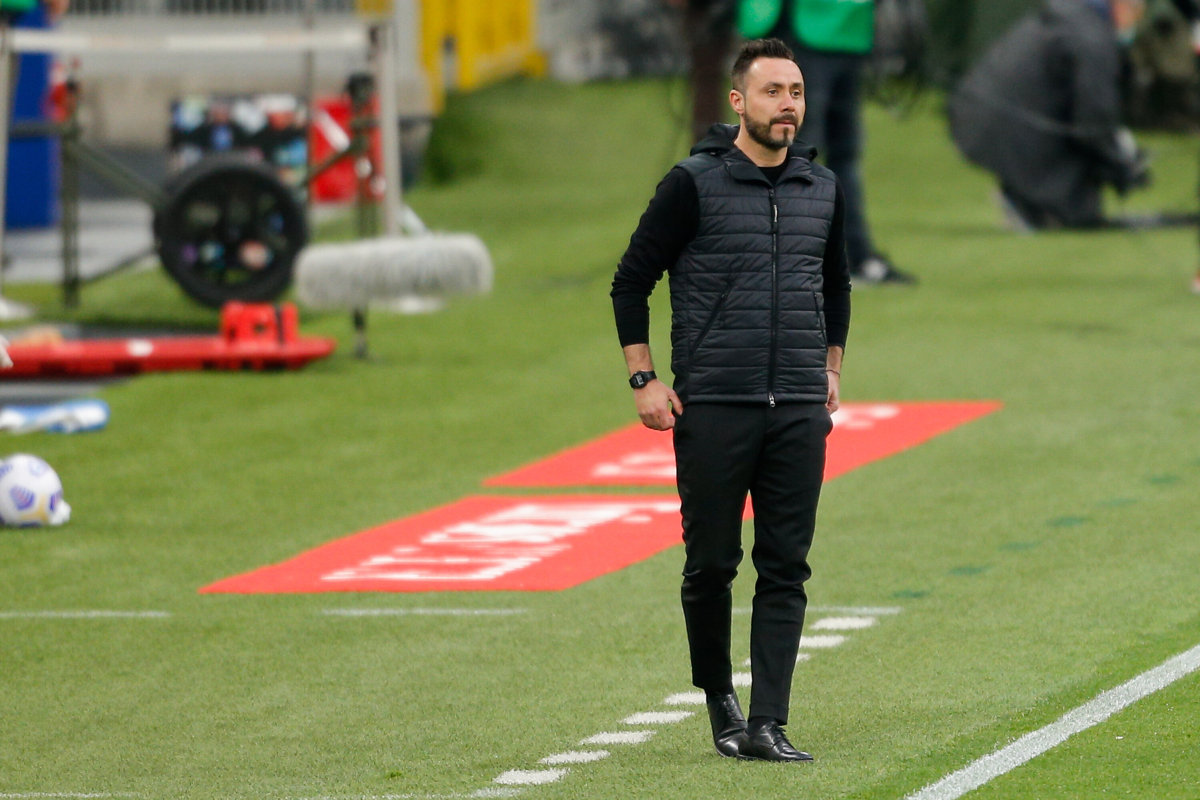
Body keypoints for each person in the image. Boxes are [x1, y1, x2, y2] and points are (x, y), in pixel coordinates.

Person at [610, 37, 851, 762]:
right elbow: (631, 280)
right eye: (774, 92)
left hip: (799, 407)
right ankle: (721, 699)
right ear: (739, 102)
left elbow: (834, 283)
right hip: (715, 404)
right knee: (712, 564)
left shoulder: (823, 188)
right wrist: (644, 379)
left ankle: (770, 721)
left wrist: (831, 368)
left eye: (796, 92)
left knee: (786, 567)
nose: (788, 105)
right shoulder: (692, 184)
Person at [737, 0, 916, 285]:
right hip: (799, 25)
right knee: (794, 152)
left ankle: (853, 257)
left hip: (843, 28)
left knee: (835, 152)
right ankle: (783, 260)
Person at [947, 0, 1152, 230]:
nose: (1136, 22)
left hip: (976, 113)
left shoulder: (1072, 18)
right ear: (1121, 5)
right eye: (1137, 12)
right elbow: (1094, 119)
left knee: (1081, 204)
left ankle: (1023, 198)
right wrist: (1121, 162)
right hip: (1001, 125)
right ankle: (1025, 205)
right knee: (1076, 213)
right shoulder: (1092, 37)